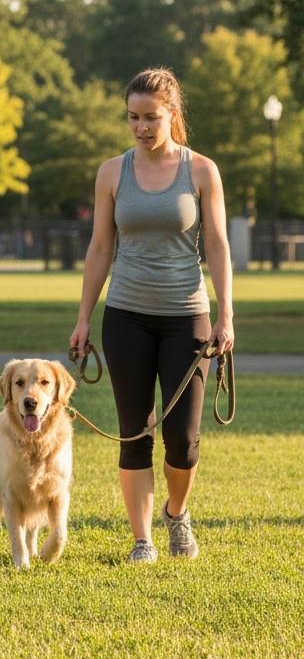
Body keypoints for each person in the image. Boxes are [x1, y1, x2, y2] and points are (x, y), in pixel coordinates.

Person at [69, 67, 234, 564]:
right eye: (133, 117)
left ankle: (176, 513)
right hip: (126, 316)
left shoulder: (201, 171)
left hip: (188, 316)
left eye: (151, 117)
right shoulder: (112, 173)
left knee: (182, 440)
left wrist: (225, 314)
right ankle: (142, 540)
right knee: (135, 430)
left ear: (173, 115)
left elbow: (220, 246)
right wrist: (83, 319)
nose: (141, 126)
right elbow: (100, 249)